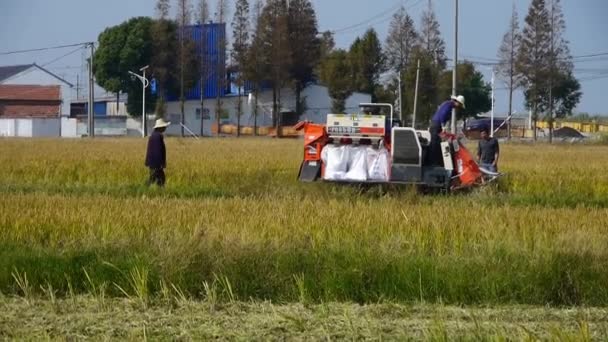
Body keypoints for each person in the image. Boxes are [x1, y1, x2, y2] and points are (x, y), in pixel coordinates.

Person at [428, 95, 466, 165]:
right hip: (436, 125)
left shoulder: (448, 104)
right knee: (434, 144)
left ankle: (437, 162)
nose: (458, 107)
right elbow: (443, 114)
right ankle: (432, 163)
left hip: (436, 125)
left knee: (438, 144)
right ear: (457, 102)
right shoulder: (449, 105)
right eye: (459, 105)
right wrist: (443, 126)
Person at [145, 118, 170, 187]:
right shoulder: (158, 136)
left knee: (154, 178)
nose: (165, 128)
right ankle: (157, 191)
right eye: (164, 127)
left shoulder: (153, 135)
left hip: (152, 162)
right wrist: (160, 163)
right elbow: (157, 151)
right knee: (160, 179)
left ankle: (147, 189)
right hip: (156, 162)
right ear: (160, 128)